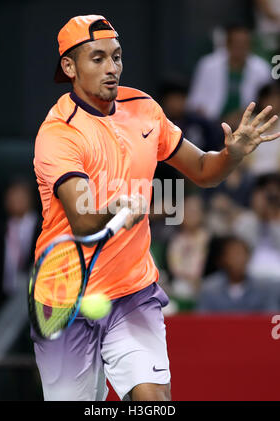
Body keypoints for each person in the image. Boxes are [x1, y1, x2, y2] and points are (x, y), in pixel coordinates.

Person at [31, 14, 280, 402]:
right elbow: (81, 221)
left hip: (132, 292)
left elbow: (202, 170)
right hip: (65, 300)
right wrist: (117, 206)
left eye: (116, 57)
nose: (112, 68)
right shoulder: (58, 132)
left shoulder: (144, 108)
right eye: (97, 59)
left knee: (154, 402)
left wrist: (231, 155)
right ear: (69, 66)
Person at [0, 180, 40, 323]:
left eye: (21, 195)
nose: (16, 200)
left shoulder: (45, 230)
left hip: (35, 306)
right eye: (12, 195)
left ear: (31, 198)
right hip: (0, 304)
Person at [187, 25, 272, 122]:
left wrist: (239, 116)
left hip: (248, 122)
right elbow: (195, 100)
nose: (240, 47)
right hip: (211, 122)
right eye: (236, 43)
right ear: (227, 44)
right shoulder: (208, 64)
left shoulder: (262, 68)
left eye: (244, 44)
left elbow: (266, 102)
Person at [197, 235, 278, 312]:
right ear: (222, 259)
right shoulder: (209, 289)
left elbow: (271, 318)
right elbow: (202, 320)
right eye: (233, 255)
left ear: (248, 257)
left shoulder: (264, 288)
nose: (238, 259)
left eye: (241, 254)